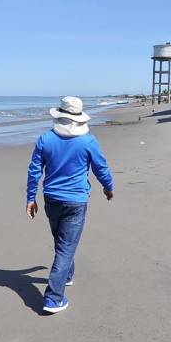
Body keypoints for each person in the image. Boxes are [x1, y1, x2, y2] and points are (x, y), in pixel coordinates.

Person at [26, 96, 114, 313]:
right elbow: (101, 168)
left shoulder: (46, 139)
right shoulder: (88, 141)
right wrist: (108, 187)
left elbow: (34, 171)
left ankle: (68, 275)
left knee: (62, 242)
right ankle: (53, 298)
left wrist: (30, 197)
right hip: (75, 200)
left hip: (52, 199)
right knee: (65, 246)